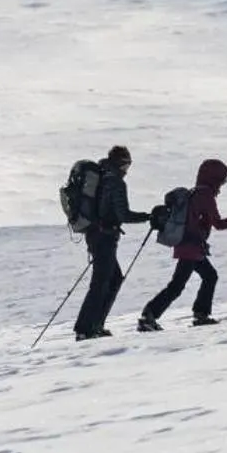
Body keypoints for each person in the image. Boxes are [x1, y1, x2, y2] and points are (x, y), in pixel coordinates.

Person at [138, 159, 227, 331]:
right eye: (221, 180)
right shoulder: (205, 196)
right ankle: (151, 315)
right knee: (178, 285)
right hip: (191, 248)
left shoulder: (195, 192)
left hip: (190, 246)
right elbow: (218, 224)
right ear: (213, 178)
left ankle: (198, 314)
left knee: (209, 276)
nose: (222, 184)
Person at [74, 144, 148, 340]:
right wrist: (149, 216)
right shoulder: (115, 182)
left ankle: (94, 325)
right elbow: (123, 214)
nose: (127, 170)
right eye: (127, 165)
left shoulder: (101, 177)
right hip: (105, 236)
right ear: (122, 164)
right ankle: (86, 328)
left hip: (94, 234)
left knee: (112, 278)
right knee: (101, 282)